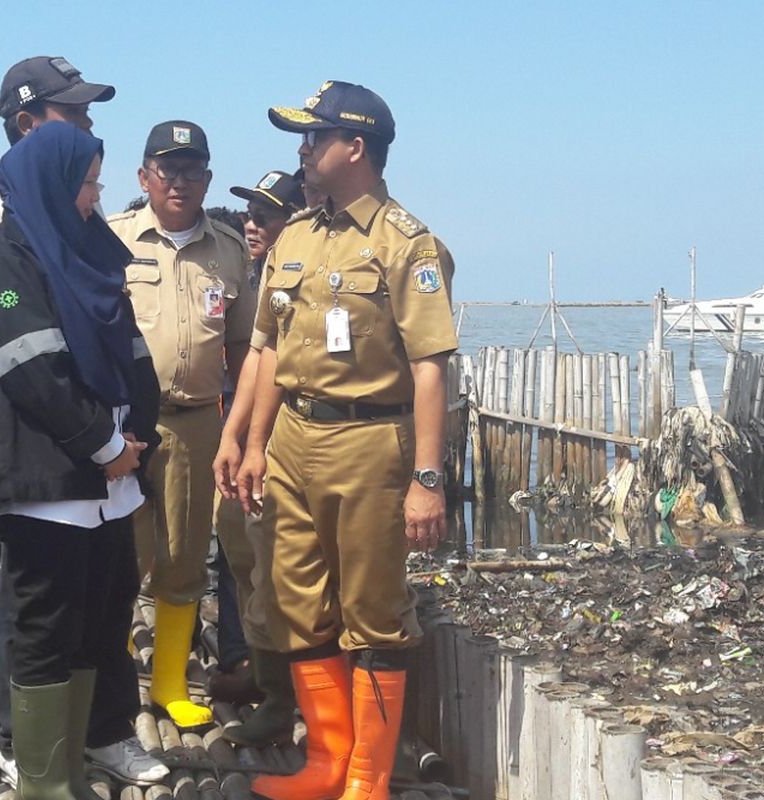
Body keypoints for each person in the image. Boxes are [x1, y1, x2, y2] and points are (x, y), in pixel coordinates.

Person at [235, 81, 458, 800]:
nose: (302, 151)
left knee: (375, 614)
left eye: (313, 137)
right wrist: (253, 444)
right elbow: (268, 352)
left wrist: (427, 478)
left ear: (355, 147)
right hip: (295, 438)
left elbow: (430, 367)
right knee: (299, 601)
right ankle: (327, 762)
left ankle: (368, 777)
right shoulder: (295, 236)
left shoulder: (407, 243)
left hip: (371, 444)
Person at [0, 55, 145, 785]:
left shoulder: (81, 238)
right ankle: (41, 767)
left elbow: (120, 339)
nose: (90, 129)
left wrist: (129, 433)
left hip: (101, 467)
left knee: (99, 606)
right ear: (31, 131)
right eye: (76, 117)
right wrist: (103, 438)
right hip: (45, 462)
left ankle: (86, 744)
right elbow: (14, 361)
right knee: (41, 618)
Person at [108, 121, 254, 729]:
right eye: (167, 170)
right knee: (120, 553)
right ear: (144, 177)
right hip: (124, 424)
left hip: (198, 422)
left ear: (208, 179)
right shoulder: (111, 239)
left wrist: (242, 434)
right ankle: (112, 678)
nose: (180, 181)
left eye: (192, 170)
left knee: (185, 555)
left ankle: (170, 683)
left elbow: (247, 348)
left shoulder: (230, 249)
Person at [207, 171, 306, 743]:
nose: (253, 223)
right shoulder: (259, 272)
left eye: (267, 214)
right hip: (253, 438)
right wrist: (236, 437)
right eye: (249, 213)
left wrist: (253, 442)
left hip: (296, 443)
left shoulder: (297, 270)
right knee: (241, 555)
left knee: (281, 573)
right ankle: (258, 674)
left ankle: (284, 693)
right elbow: (254, 360)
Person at [0, 56, 115, 349]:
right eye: (74, 112)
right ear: (26, 124)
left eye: (86, 110)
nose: (89, 122)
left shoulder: (88, 200)